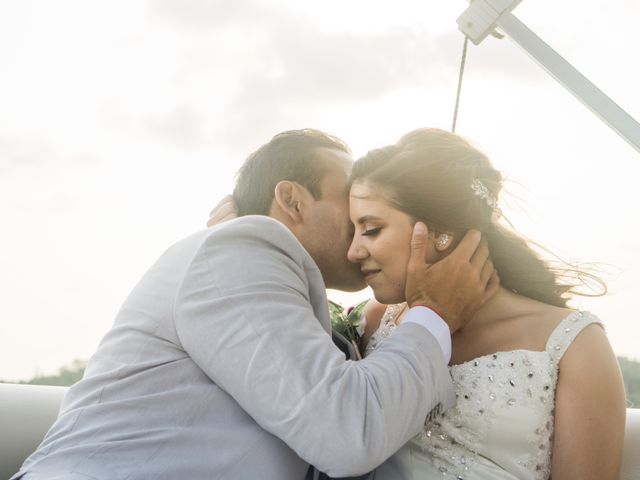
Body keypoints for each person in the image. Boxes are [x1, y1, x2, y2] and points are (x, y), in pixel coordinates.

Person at [12, 129, 497, 480]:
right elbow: (347, 433)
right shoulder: (241, 246)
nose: (358, 220)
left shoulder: (264, 275)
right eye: (349, 201)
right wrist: (435, 311)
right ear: (292, 200)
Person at [346, 128, 627, 479]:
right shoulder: (372, 322)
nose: (353, 251)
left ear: (440, 233)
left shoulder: (575, 345)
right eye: (352, 230)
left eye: (371, 229)